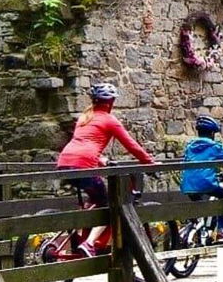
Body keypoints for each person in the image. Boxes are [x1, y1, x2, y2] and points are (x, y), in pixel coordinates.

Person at [55, 82, 155, 253]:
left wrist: (102, 161)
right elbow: (131, 145)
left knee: (94, 200)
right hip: (84, 166)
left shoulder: (84, 117)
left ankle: (79, 236)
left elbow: (85, 143)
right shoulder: (109, 120)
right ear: (111, 102)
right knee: (111, 205)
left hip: (64, 163)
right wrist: (150, 163)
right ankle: (89, 243)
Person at [181, 115, 223, 240]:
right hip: (205, 183)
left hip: (187, 184)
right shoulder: (214, 146)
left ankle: (196, 227)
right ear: (212, 133)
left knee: (199, 204)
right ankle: (222, 230)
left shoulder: (190, 146)